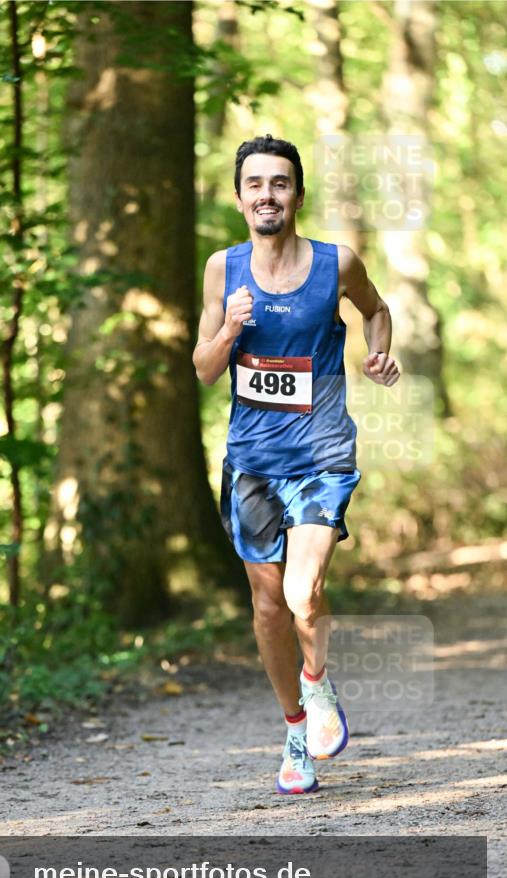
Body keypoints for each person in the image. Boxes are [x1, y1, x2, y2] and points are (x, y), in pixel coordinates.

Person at [193, 134, 400, 794]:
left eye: (279, 183)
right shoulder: (222, 271)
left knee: (301, 592)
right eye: (255, 184)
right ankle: (293, 731)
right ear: (238, 198)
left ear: (297, 195)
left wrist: (377, 353)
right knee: (265, 607)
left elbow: (378, 312)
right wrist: (228, 329)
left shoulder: (334, 264)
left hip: (321, 453)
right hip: (251, 460)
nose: (267, 195)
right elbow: (202, 370)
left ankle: (316, 684)